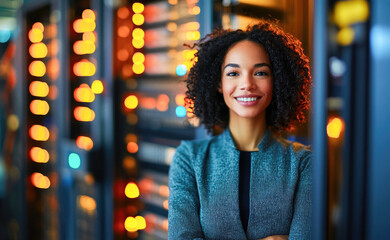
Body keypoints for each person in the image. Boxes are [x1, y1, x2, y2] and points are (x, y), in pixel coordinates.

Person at [168, 20, 312, 240]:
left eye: (261, 73)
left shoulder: (303, 162)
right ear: (219, 83)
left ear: (277, 81)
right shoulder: (189, 159)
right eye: (233, 73)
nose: (247, 84)